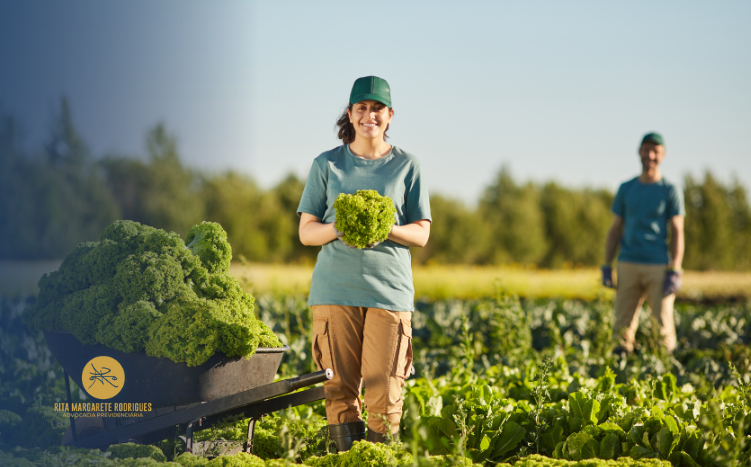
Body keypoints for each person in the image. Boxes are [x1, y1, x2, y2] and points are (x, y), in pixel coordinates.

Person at [296, 76, 431, 451]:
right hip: (334, 289)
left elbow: (421, 233)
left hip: (389, 292)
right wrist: (337, 228)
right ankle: (345, 458)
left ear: (389, 116)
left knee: (385, 390)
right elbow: (307, 232)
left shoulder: (408, 165)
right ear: (351, 114)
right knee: (338, 387)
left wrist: (387, 227)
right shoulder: (326, 164)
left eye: (377, 109)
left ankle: (378, 458)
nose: (369, 115)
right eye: (361, 108)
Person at [602, 132, 685, 355]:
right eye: (646, 149)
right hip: (628, 263)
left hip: (658, 266)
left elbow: (678, 230)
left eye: (655, 151)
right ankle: (621, 375)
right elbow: (615, 229)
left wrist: (675, 269)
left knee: (663, 325)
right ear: (639, 152)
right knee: (622, 325)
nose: (650, 155)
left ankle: (665, 371)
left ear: (663, 155)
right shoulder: (626, 188)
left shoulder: (670, 190)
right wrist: (607, 264)